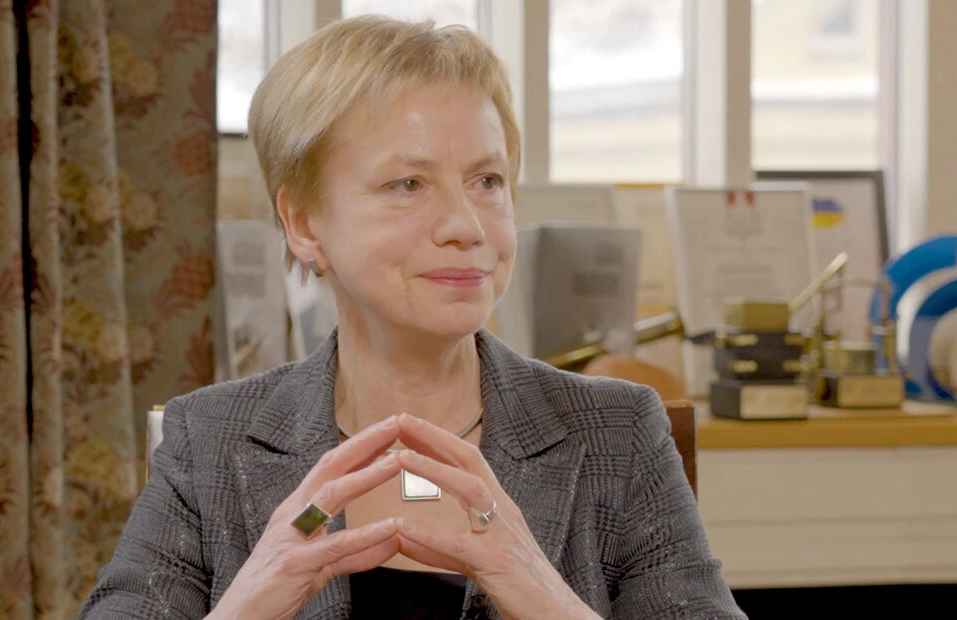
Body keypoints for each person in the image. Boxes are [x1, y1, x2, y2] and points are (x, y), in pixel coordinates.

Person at [81, 16, 745, 619]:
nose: (466, 225)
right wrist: (251, 601)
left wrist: (542, 594)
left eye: (487, 181)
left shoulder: (619, 432)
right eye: (408, 184)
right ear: (303, 223)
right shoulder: (209, 440)